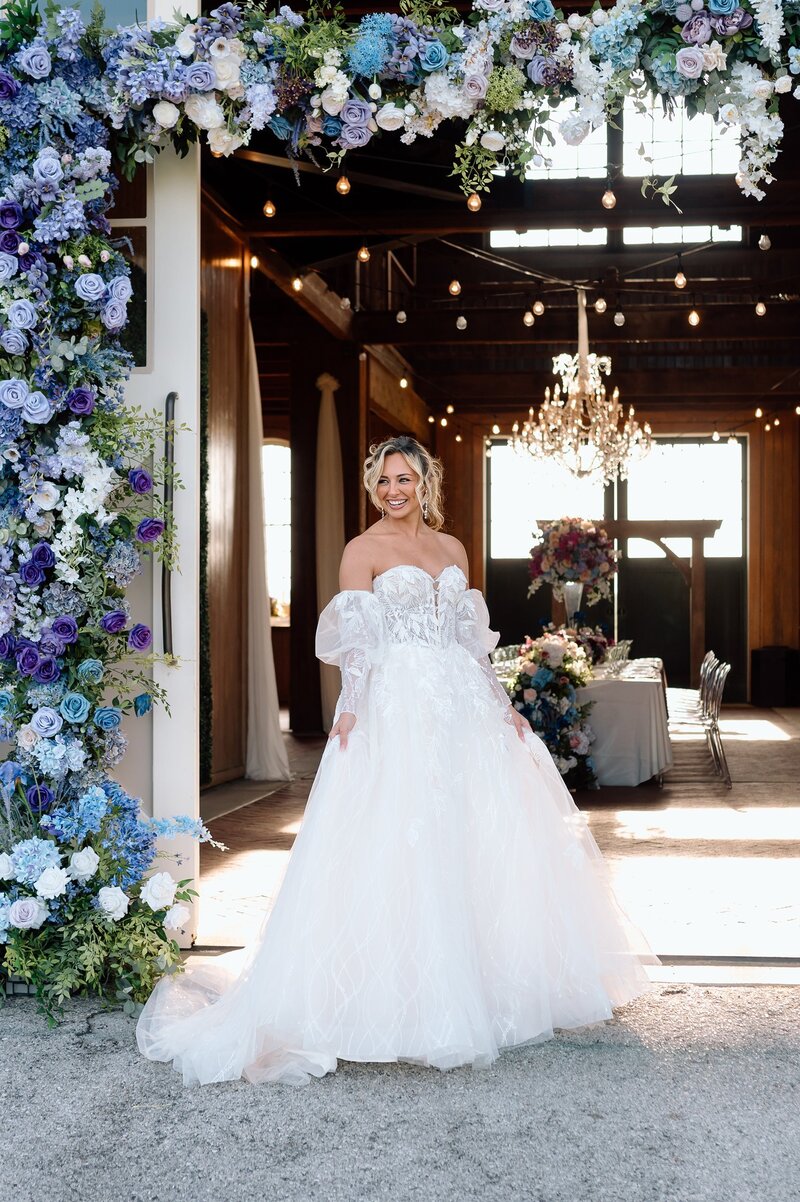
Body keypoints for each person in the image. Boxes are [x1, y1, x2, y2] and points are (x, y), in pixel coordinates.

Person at [137, 434, 655, 1086]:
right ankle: (402, 996)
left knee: (477, 835)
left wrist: (504, 705)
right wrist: (350, 710)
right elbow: (359, 645)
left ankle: (483, 982)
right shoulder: (363, 551)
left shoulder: (453, 549)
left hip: (462, 704)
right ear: (373, 486)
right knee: (402, 835)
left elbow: (470, 644)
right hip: (399, 704)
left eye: (404, 478)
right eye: (384, 481)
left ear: (424, 481)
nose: (394, 490)